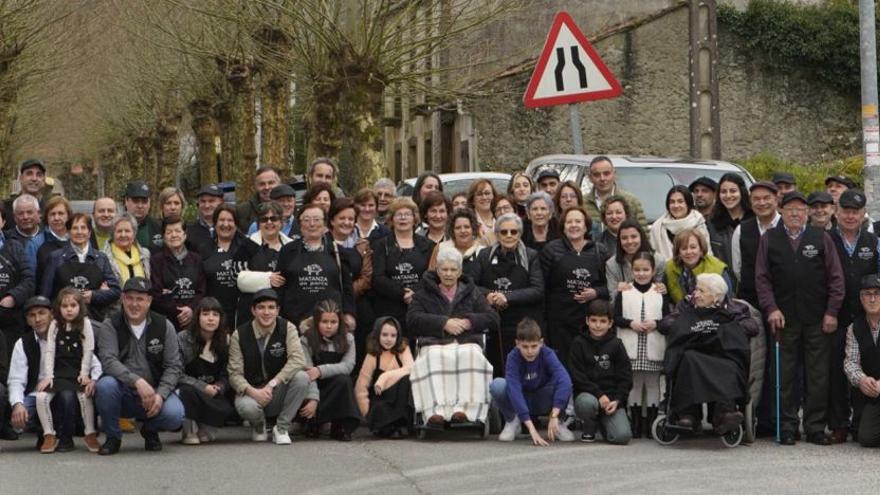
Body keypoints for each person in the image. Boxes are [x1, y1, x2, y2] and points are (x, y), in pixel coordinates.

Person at [756, 191, 845, 445]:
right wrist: (771, 308)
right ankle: (786, 426)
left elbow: (836, 278)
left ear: (806, 213)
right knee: (784, 376)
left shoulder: (821, 238)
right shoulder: (769, 239)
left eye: (800, 209)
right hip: (783, 318)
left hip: (818, 318)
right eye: (790, 209)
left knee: (818, 376)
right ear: (781, 212)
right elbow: (762, 278)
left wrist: (832, 311)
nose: (795, 214)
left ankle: (815, 427)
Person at [407, 247, 500, 425]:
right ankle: (434, 411)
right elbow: (412, 319)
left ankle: (465, 411)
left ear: (460, 271)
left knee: (471, 355)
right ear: (437, 270)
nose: (448, 274)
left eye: (453, 269)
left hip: (466, 342)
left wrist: (468, 322)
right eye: (444, 269)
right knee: (434, 356)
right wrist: (443, 323)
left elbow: (493, 318)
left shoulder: (472, 292)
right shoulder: (423, 292)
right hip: (435, 343)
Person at [95, 277, 185, 455]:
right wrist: (137, 382)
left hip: (155, 392)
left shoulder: (164, 325)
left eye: (140, 299)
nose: (134, 304)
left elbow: (174, 366)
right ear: (122, 299)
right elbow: (108, 361)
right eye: (130, 298)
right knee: (105, 386)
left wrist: (161, 394)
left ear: (149, 301)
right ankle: (113, 437)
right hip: (123, 392)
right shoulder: (110, 324)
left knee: (175, 415)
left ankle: (150, 430)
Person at [659, 273, 758, 435]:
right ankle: (688, 414)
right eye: (696, 290)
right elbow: (666, 324)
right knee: (688, 359)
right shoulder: (687, 306)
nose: (695, 294)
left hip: (723, 354)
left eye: (701, 291)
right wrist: (686, 323)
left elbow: (752, 327)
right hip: (694, 355)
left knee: (730, 365)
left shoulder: (735, 308)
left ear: (716, 296)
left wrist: (726, 325)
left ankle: (724, 414)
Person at [227, 288, 312, 445]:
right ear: (253, 310)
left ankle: (281, 428)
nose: (266, 312)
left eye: (271, 307)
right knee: (247, 408)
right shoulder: (239, 334)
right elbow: (234, 374)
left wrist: (273, 384)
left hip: (276, 391)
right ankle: (259, 425)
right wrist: (253, 392)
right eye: (261, 307)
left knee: (302, 377)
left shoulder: (288, 328)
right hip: (252, 392)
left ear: (277, 310)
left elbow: (298, 360)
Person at [828, 189, 879, 443]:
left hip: (865, 313)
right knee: (837, 368)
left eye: (855, 212)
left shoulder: (872, 242)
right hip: (834, 313)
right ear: (837, 213)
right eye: (845, 211)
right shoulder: (826, 239)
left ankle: (860, 420)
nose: (850, 216)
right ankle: (838, 423)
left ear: (862, 214)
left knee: (867, 365)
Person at [474, 213, 545, 375]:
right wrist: (489, 295)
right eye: (503, 232)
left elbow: (537, 290)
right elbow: (472, 286)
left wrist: (508, 297)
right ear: (497, 234)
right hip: (494, 324)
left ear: (520, 234)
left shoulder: (531, 256)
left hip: (522, 323)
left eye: (513, 232)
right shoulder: (484, 255)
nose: (508, 235)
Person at [34, 288, 100, 453]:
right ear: (59, 308)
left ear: (80, 306)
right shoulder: (55, 324)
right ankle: (49, 434)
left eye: (73, 305)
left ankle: (90, 432)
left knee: (85, 397)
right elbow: (50, 351)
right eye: (65, 306)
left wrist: (85, 373)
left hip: (77, 372)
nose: (69, 309)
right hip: (59, 372)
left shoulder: (85, 323)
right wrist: (49, 376)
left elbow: (88, 350)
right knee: (41, 397)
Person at [490, 318, 574, 445]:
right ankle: (513, 421)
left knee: (564, 382)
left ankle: (558, 423)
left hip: (542, 398)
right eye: (525, 346)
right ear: (517, 344)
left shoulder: (547, 353)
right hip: (522, 400)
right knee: (497, 385)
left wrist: (554, 414)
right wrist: (531, 429)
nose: (530, 351)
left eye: (534, 346)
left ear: (541, 343)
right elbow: (514, 391)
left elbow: (565, 380)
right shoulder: (512, 358)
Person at [540, 206, 608, 361]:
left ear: (586, 226)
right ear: (563, 227)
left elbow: (610, 287)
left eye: (578, 221)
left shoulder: (600, 251)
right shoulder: (551, 250)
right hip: (559, 325)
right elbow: (542, 286)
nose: (574, 225)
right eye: (569, 222)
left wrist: (596, 293)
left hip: (589, 324)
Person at [614, 253, 668, 438]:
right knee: (635, 384)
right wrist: (630, 323)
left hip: (653, 346)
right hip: (631, 348)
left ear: (653, 271)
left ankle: (651, 423)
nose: (641, 273)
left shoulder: (660, 292)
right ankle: (636, 424)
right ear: (631, 270)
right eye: (637, 270)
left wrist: (657, 324)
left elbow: (668, 319)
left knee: (652, 384)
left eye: (646, 270)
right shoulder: (625, 292)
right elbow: (616, 318)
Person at [277, 203, 356, 329]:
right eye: (306, 220)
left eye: (316, 219)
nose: (312, 224)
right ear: (300, 224)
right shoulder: (287, 251)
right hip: (294, 321)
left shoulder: (337, 252)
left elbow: (347, 288)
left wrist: (349, 313)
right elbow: (279, 285)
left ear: (324, 224)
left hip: (331, 323)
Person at [570, 300, 632, 444]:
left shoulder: (616, 344)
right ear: (587, 321)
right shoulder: (578, 343)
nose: (598, 325)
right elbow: (577, 376)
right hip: (588, 396)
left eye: (603, 321)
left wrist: (617, 400)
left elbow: (625, 377)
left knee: (622, 437)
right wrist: (599, 395)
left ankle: (605, 423)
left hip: (611, 400)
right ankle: (589, 426)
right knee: (587, 403)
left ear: (610, 323)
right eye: (594, 320)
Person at [299, 300, 361, 441]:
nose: (329, 326)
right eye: (324, 321)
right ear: (316, 321)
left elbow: (348, 366)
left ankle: (340, 426)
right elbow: (308, 372)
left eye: (333, 322)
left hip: (335, 384)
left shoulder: (348, 339)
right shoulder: (305, 340)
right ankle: (314, 423)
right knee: (301, 380)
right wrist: (313, 399)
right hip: (313, 387)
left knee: (344, 381)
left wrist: (320, 370)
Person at [41, 213, 121, 321]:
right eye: (75, 228)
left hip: (94, 320)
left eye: (83, 228)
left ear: (89, 232)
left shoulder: (101, 258)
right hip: (62, 321)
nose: (79, 232)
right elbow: (46, 294)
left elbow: (115, 291)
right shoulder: (55, 258)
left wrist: (94, 296)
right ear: (68, 232)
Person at [371, 198, 433, 337]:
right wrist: (402, 293)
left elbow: (432, 275)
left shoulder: (427, 245)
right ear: (392, 219)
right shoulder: (381, 245)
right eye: (398, 214)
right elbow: (378, 277)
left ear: (414, 218)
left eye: (407, 214)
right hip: (389, 307)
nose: (403, 218)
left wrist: (415, 292)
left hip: (420, 306)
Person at [177, 297, 235, 445]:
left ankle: (204, 426)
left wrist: (220, 386)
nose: (211, 319)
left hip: (213, 391)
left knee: (226, 410)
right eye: (205, 314)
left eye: (215, 315)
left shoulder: (226, 340)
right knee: (186, 392)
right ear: (197, 317)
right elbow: (177, 373)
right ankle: (189, 430)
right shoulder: (183, 338)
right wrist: (202, 387)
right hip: (189, 389)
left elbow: (228, 372)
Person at [5, 296, 55, 445]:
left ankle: (61, 434)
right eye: (32, 315)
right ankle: (42, 431)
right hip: (35, 395)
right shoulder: (23, 343)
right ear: (27, 320)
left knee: (67, 400)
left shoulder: (63, 337)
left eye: (42, 313)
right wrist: (18, 404)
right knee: (19, 420)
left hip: (61, 391)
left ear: (51, 314)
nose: (37, 319)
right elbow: (16, 379)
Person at [355, 317, 414, 438]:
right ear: (377, 335)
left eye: (393, 335)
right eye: (385, 335)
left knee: (406, 379)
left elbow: (410, 368)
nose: (389, 339)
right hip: (381, 398)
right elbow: (361, 386)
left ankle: (400, 424)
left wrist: (384, 377)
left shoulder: (403, 348)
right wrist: (367, 414)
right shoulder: (372, 355)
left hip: (400, 399)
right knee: (379, 408)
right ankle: (387, 426)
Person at [235, 201, 293, 324]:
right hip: (251, 312)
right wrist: (268, 279)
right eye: (264, 219)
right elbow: (236, 276)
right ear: (258, 224)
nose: (269, 222)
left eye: (274, 218)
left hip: (284, 311)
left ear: (281, 222)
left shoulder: (291, 246)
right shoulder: (247, 245)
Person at [202, 205, 256, 329]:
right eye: (221, 220)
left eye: (230, 220)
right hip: (213, 314)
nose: (225, 224)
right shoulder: (204, 249)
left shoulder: (249, 247)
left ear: (236, 224)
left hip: (243, 313)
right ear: (215, 223)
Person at [149, 217, 206, 331]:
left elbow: (201, 291)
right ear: (164, 237)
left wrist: (190, 309)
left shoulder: (197, 260)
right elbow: (156, 294)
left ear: (185, 235)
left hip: (193, 320)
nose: (174, 235)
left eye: (178, 231)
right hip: (166, 322)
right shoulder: (156, 261)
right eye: (169, 232)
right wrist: (179, 311)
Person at [843, 274, 880, 448]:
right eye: (867, 294)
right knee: (866, 438)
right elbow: (851, 363)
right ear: (861, 298)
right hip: (873, 393)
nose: (872, 299)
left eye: (877, 293)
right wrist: (862, 380)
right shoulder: (855, 328)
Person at [731, 181, 780, 307]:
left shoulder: (787, 227)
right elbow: (738, 268)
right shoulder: (741, 230)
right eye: (756, 199)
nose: (762, 203)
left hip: (783, 300)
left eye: (766, 198)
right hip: (751, 301)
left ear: (776, 199)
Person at [583, 156, 648, 239]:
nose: (602, 178)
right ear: (590, 178)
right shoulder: (582, 203)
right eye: (597, 175)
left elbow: (644, 236)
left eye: (606, 173)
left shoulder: (631, 201)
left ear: (614, 174)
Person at [0, 206, 36, 355]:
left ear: (3, 222)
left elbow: (29, 279)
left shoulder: (15, 246)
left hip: (11, 319)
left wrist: (13, 297)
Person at [664, 228, 733, 305]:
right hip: (682, 312)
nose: (688, 252)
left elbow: (728, 301)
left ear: (701, 250)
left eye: (693, 247)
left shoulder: (717, 268)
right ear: (678, 252)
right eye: (684, 248)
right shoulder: (669, 268)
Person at [649, 185, 712, 264]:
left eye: (680, 201)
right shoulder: (658, 227)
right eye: (672, 202)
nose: (676, 205)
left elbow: (707, 254)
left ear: (688, 203)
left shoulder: (698, 223)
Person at [605, 219, 665, 302]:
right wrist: (618, 292)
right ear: (619, 241)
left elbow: (663, 297)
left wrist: (662, 289)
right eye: (624, 238)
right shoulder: (612, 265)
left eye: (634, 237)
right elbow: (612, 302)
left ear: (641, 237)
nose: (629, 241)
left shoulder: (658, 260)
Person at [708, 173, 753, 267]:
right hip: (722, 279)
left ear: (742, 192)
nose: (728, 196)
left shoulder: (754, 220)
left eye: (733, 191)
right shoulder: (712, 224)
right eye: (723, 192)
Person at [428, 208, 483, 280]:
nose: (462, 231)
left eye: (467, 227)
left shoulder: (482, 251)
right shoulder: (441, 248)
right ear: (452, 231)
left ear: (473, 229)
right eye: (458, 228)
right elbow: (430, 278)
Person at [3, 159, 54, 232]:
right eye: (29, 174)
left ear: (43, 180)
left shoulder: (51, 209)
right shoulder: (5, 208)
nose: (34, 178)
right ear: (21, 178)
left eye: (39, 175)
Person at [103, 215, 151, 291]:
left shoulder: (145, 254)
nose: (123, 235)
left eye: (127, 231)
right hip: (116, 301)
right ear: (113, 234)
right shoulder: (103, 257)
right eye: (119, 231)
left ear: (134, 233)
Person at [34, 197, 72, 282]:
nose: (56, 218)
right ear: (46, 217)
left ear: (68, 216)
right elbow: (32, 277)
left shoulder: (76, 239)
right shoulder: (36, 243)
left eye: (61, 213)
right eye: (52, 214)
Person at [235, 166, 281, 231]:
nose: (267, 187)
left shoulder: (288, 207)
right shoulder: (242, 211)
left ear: (279, 184)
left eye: (271, 183)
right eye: (262, 184)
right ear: (256, 186)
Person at [186, 184, 225, 259]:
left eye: (211, 201)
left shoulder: (230, 227)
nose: (207, 205)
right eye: (203, 201)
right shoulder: (188, 231)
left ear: (221, 202)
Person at [7, 194, 43, 271]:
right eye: (20, 213)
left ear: (39, 214)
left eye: (29, 212)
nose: (25, 217)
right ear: (14, 217)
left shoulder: (47, 237)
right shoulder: (6, 240)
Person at [124, 180, 162, 253]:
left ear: (149, 203)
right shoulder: (116, 226)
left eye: (144, 201)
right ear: (126, 201)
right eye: (136, 201)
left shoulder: (158, 227)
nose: (140, 206)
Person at [468, 179, 498, 246]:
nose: (484, 197)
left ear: (493, 196)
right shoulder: (468, 221)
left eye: (487, 193)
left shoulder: (500, 217)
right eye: (479, 194)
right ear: (472, 199)